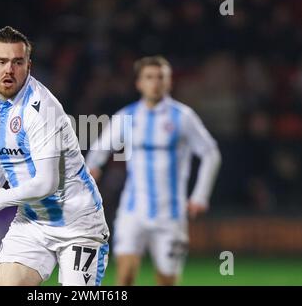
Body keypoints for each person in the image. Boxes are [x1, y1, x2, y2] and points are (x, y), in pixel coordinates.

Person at [0, 26, 109, 286]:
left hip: (78, 224)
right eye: (1, 61)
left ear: (29, 66)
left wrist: (2, 198)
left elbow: (46, 183)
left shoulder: (42, 109)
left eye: (17, 62)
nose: (9, 69)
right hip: (32, 221)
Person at [86, 56, 221, 286]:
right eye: (149, 77)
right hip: (132, 211)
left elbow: (210, 153)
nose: (155, 83)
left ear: (169, 82)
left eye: (161, 77)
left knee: (166, 282)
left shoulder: (183, 116)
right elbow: (100, 147)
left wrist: (200, 195)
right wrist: (93, 168)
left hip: (171, 216)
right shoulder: (127, 116)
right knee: (125, 278)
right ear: (139, 83)